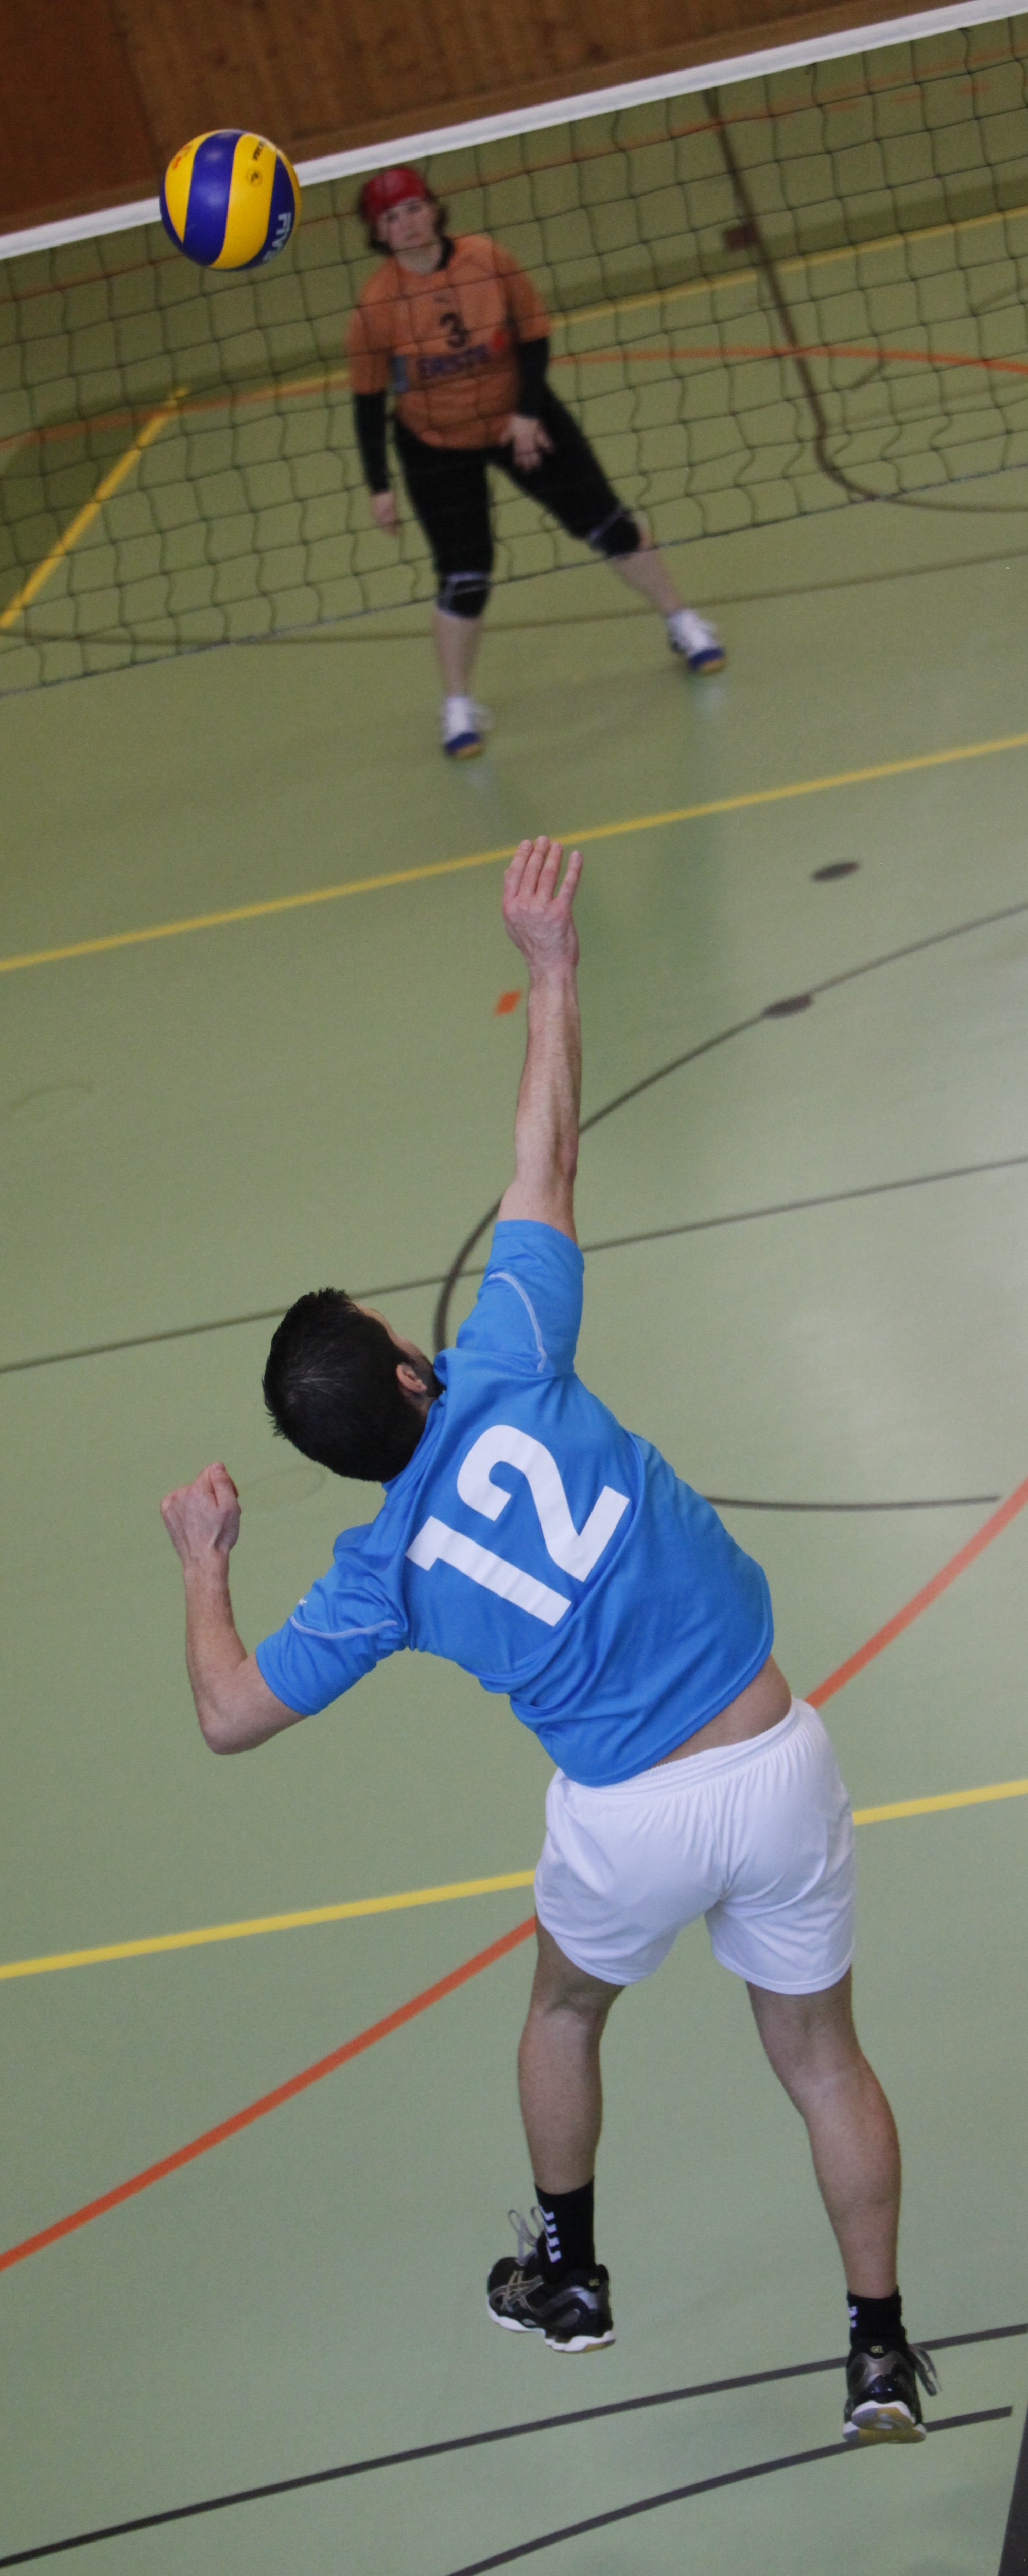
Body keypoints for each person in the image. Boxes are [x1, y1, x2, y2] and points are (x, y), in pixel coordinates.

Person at [161, 836, 936, 2446]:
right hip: (773, 1754)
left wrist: (203, 1565)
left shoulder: (377, 1575)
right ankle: (875, 2348)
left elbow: (227, 1713)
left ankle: (569, 2276)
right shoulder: (509, 1347)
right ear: (410, 1372)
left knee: (565, 2009)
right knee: (819, 2059)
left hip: (623, 1821)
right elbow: (546, 1158)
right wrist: (554, 966)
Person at [346, 166, 724, 758]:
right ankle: (456, 706)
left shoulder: (486, 259)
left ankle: (681, 622)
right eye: (392, 218)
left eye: (414, 208)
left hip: (518, 416)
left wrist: (525, 413)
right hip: (434, 443)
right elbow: (368, 402)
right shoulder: (375, 307)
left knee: (607, 522)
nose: (408, 224)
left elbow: (533, 337)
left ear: (434, 209)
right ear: (378, 233)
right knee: (465, 576)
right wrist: (378, 485)